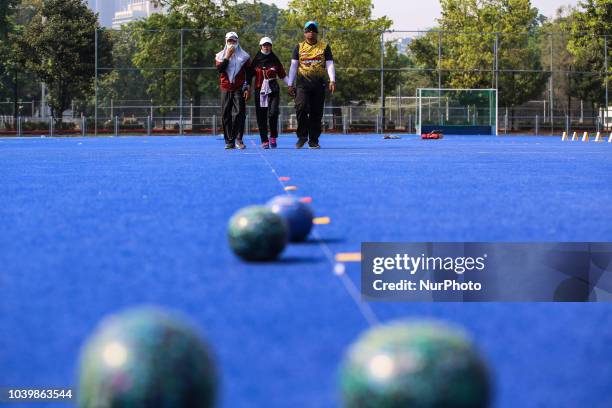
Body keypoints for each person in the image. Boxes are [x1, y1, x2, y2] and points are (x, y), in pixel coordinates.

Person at [286, 21, 336, 149]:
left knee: (316, 112)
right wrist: (290, 84)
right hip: (302, 84)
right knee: (300, 107)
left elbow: (329, 64)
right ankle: (302, 136)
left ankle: (313, 140)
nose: (311, 33)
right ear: (304, 33)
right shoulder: (299, 47)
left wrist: (332, 80)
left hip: (319, 84)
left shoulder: (324, 47)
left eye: (313, 30)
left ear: (317, 32)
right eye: (308, 30)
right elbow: (293, 66)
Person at [249, 37, 287, 149]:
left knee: (273, 113)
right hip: (259, 90)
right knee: (261, 116)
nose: (266, 47)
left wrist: (290, 85)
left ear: (271, 46)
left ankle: (273, 136)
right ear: (260, 46)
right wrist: (246, 87)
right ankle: (264, 140)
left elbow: (282, 75)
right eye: (264, 45)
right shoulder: (255, 61)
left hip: (273, 89)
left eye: (268, 45)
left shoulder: (275, 60)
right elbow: (249, 76)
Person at [215, 32, 251, 150]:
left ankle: (238, 139)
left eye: (234, 41)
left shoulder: (244, 56)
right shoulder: (220, 56)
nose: (232, 43)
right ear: (226, 41)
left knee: (240, 113)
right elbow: (220, 70)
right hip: (225, 88)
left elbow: (249, 73)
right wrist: (227, 56)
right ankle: (229, 141)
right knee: (226, 115)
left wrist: (247, 87)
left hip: (239, 88)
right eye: (230, 41)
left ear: (237, 42)